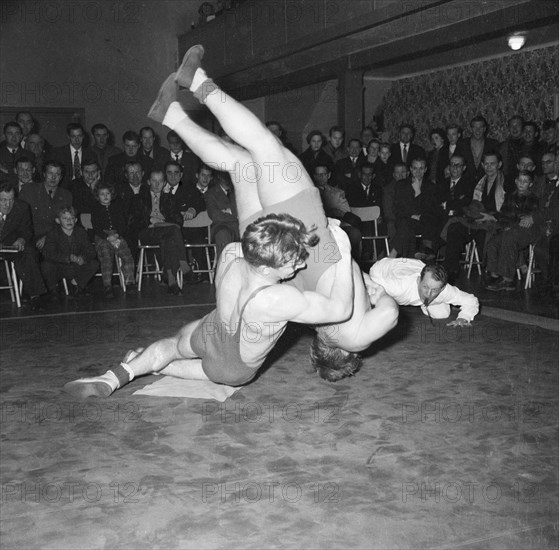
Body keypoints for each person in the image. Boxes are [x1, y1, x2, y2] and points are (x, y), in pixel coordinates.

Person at [64, 44, 398, 396]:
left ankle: (198, 81)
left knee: (264, 145)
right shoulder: (317, 322)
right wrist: (368, 284)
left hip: (307, 237)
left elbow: (388, 314)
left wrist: (378, 288)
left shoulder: (354, 336)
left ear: (346, 356)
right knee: (241, 164)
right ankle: (173, 115)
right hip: (274, 250)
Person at [369, 259, 479, 326]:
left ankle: (424, 301)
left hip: (418, 266)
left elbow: (471, 300)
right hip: (384, 268)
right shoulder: (397, 287)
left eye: (435, 290)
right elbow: (365, 285)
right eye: (425, 287)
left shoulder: (445, 291)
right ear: (418, 281)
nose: (428, 294)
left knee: (442, 314)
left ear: (442, 288)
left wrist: (464, 317)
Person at [90, 182, 137, 298]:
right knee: (106, 255)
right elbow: (96, 227)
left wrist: (116, 235)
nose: (105, 196)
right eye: (102, 194)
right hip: (102, 236)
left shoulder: (117, 208)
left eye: (108, 193)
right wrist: (107, 237)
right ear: (97, 196)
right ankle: (107, 285)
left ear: (112, 195)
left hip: (116, 234)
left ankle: (130, 282)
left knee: (127, 255)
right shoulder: (96, 209)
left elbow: (122, 224)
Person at [41, 206, 99, 297]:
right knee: (46, 265)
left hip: (76, 266)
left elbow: (91, 251)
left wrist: (83, 258)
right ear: (58, 220)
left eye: (71, 218)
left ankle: (76, 285)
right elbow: (48, 253)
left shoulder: (81, 232)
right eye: (65, 218)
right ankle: (53, 289)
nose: (69, 221)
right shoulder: (52, 233)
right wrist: (67, 258)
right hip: (60, 266)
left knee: (94, 264)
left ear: (76, 220)